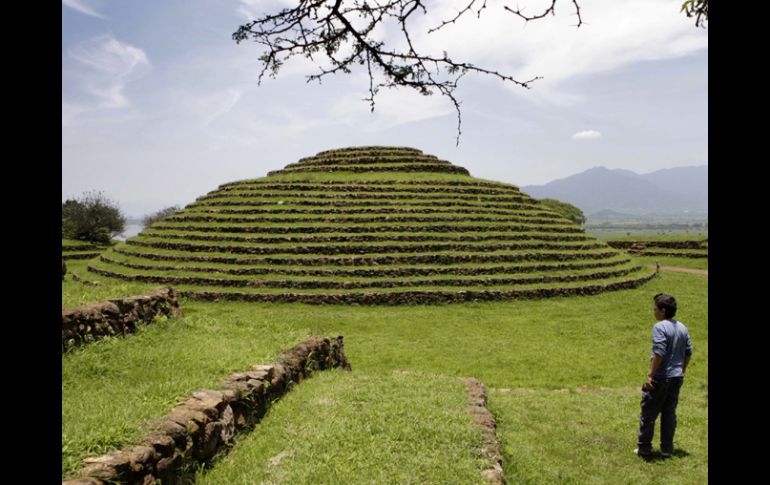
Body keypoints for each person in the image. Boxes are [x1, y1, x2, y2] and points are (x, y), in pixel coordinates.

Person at [635, 293, 693, 458]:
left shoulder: (659, 327)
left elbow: (658, 352)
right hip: (677, 377)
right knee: (669, 413)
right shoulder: (682, 327)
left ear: (662, 310)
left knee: (649, 412)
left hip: (661, 377)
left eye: (655, 308)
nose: (654, 311)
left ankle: (644, 448)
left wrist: (650, 373)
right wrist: (682, 369)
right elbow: (689, 352)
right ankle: (667, 449)